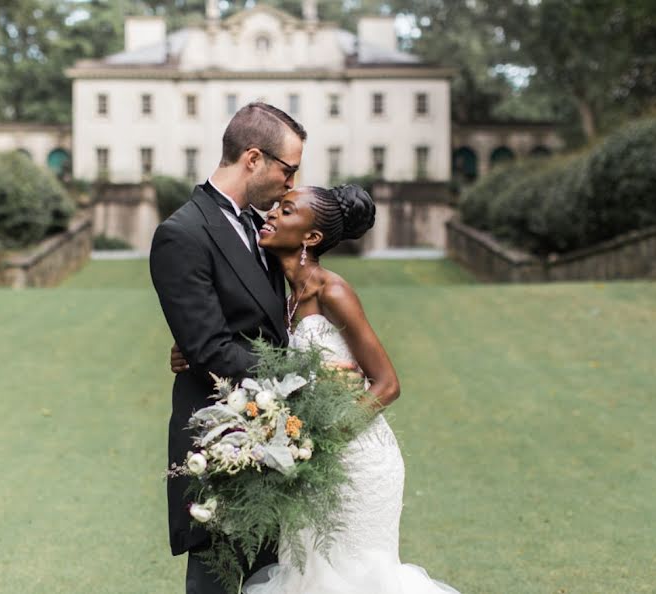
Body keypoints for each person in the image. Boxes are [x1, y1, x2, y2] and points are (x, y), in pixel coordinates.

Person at [242, 184, 461, 594]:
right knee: (307, 577)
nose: (270, 215)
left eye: (286, 211)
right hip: (306, 465)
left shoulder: (333, 291)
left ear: (311, 238)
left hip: (357, 460)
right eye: (275, 207)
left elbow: (388, 383)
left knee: (356, 578)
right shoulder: (284, 296)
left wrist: (322, 442)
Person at [149, 102, 306, 594]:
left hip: (277, 441)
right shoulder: (183, 234)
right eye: (289, 169)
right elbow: (212, 349)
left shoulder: (267, 230)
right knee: (214, 583)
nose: (291, 183)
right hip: (221, 447)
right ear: (253, 159)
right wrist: (305, 377)